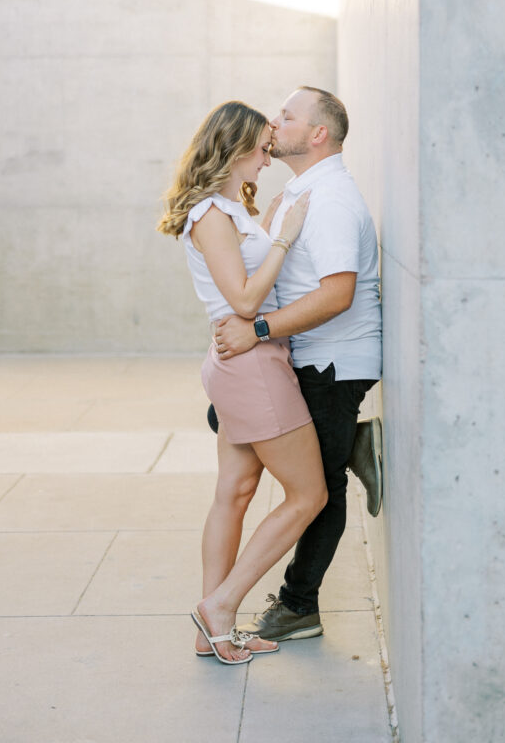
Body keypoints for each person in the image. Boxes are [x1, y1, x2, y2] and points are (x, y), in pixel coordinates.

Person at [157, 100, 327, 665]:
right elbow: (247, 301)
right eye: (261, 148)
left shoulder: (232, 207)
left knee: (234, 492)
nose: (268, 156)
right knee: (309, 494)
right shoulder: (211, 214)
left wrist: (272, 221)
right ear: (234, 149)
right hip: (252, 367)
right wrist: (285, 238)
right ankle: (222, 606)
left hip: (238, 362)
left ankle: (213, 631)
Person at [213, 86, 382, 642]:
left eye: (287, 115)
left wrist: (257, 329)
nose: (274, 120)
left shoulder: (329, 200)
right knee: (258, 445)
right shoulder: (297, 192)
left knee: (320, 488)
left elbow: (337, 295)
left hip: (330, 363)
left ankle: (298, 605)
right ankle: (349, 440)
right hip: (297, 357)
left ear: (317, 134)